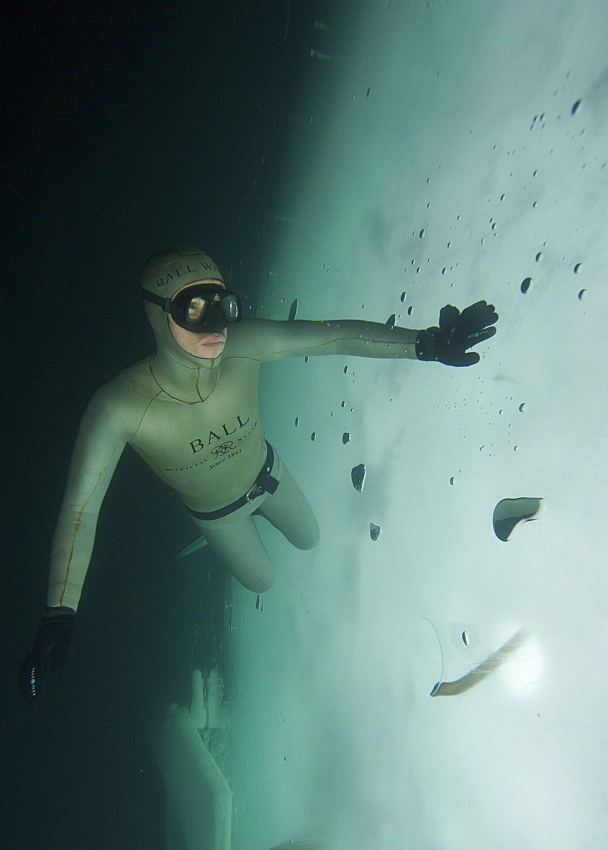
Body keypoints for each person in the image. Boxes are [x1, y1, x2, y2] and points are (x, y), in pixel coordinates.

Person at [19, 247, 498, 704]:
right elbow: (80, 512)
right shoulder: (118, 407)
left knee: (311, 539)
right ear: (157, 314)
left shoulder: (242, 343)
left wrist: (427, 344)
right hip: (217, 515)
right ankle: (208, 541)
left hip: (269, 472)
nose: (216, 325)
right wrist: (58, 613)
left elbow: (333, 336)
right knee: (263, 581)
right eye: (193, 308)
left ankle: (244, 525)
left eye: (223, 304)